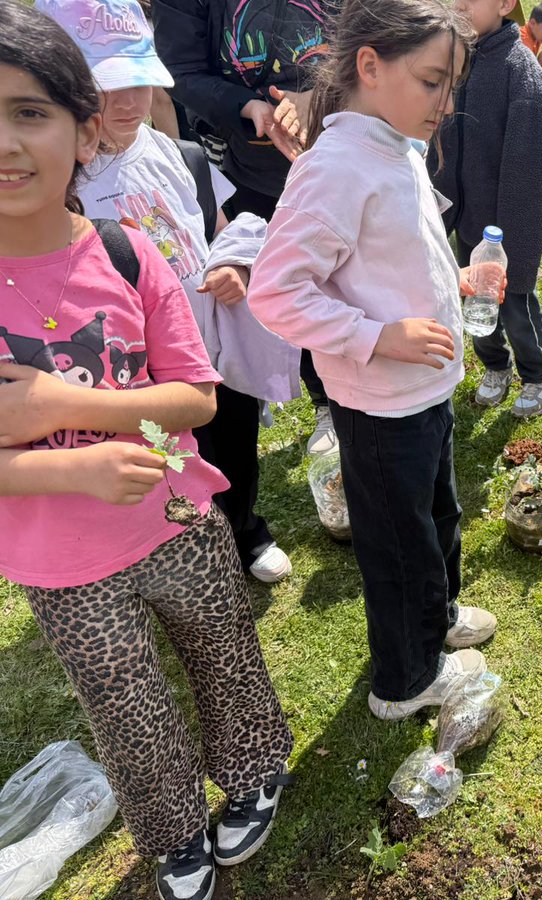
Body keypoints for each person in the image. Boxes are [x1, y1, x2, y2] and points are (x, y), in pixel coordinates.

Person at [0, 5, 294, 899]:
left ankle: (253, 770)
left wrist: (63, 405)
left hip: (178, 515)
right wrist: (71, 466)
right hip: (61, 563)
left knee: (224, 649)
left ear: (86, 132)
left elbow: (195, 396)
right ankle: (173, 835)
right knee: (125, 704)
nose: (6, 143)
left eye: (29, 112)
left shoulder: (129, 258)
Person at [250, 0, 499, 720]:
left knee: (438, 515)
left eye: (451, 85)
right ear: (369, 65)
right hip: (380, 404)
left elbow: (395, 252)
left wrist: (454, 281)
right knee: (398, 547)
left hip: (424, 391)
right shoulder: (334, 168)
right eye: (431, 82)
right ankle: (407, 678)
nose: (445, 105)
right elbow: (275, 291)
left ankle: (439, 613)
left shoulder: (394, 146)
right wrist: (376, 336)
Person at [39, 0, 301, 583]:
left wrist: (237, 267)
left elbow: (220, 231)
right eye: (109, 87)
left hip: (210, 344)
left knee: (232, 438)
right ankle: (175, 549)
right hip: (136, 369)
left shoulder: (176, 154)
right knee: (169, 458)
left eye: (140, 81)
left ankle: (243, 527)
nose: (130, 102)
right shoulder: (56, 187)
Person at [153, 0, 342, 455]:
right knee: (282, 283)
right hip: (248, 166)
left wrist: (320, 98)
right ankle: (324, 401)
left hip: (338, 149)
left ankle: (349, 396)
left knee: (343, 278)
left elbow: (379, 43)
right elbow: (179, 70)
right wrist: (248, 106)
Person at [430, 0, 542, 418]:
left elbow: (533, 172)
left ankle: (536, 375)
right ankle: (495, 366)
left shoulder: (521, 73)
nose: (459, 4)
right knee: (476, 306)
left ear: (505, 5)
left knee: (515, 306)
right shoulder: (453, 56)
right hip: (467, 220)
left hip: (506, 231)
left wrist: (515, 250)